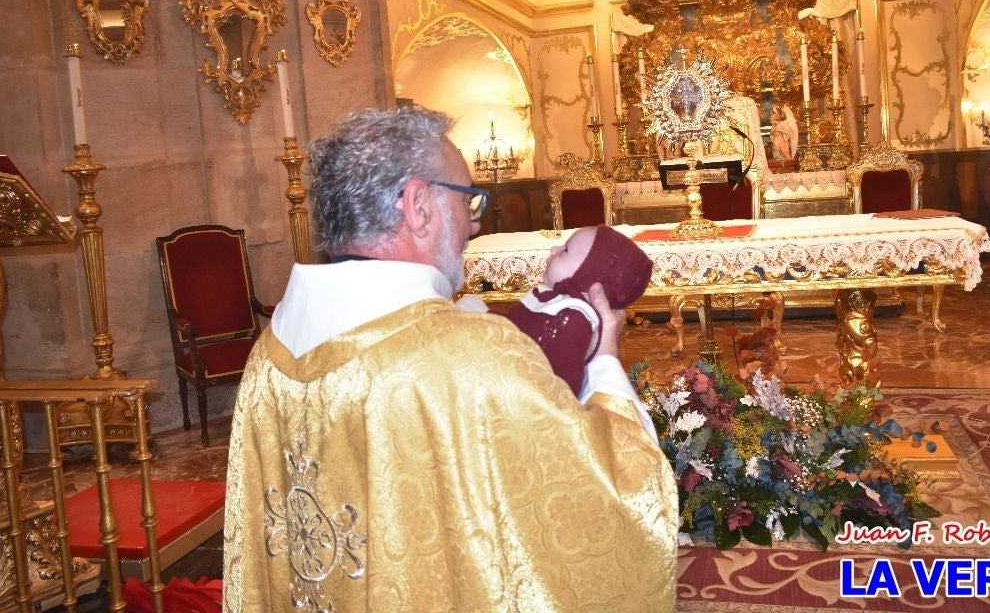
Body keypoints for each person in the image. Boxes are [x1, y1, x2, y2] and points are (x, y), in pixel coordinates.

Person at [222, 106, 677, 612]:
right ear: (418, 206)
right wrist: (606, 358)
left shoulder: (269, 354)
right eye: (470, 200)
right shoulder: (472, 358)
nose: (474, 224)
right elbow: (617, 501)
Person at [499, 225, 653, 398]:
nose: (554, 249)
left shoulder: (570, 319)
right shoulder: (558, 305)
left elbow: (564, 388)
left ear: (588, 279)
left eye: (565, 250)